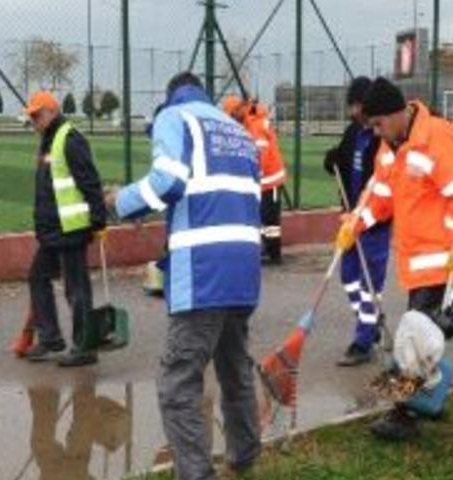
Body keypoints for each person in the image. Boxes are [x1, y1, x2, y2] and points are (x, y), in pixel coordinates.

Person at [108, 72, 262, 479]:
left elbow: (168, 181)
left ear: (171, 95)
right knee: (234, 370)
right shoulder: (237, 130)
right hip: (243, 269)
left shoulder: (175, 117)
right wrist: (150, 208)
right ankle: (242, 460)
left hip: (202, 271)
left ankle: (196, 474)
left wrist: (121, 202)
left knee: (177, 384)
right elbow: (212, 192)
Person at [336, 77, 453, 441]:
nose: (376, 132)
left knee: (412, 338)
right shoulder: (389, 146)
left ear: (397, 113)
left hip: (441, 264)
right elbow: (380, 194)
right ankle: (430, 399)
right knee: (425, 337)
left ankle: (403, 416)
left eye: (378, 124)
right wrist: (357, 222)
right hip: (414, 264)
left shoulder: (439, 138)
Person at [23, 90, 106, 367]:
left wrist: (98, 220)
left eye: (36, 115)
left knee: (76, 288)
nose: (33, 122)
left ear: (51, 112)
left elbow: (90, 181)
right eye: (31, 117)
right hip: (52, 230)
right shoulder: (48, 141)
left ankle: (84, 346)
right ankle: (51, 338)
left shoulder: (70, 139)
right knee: (37, 278)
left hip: (71, 229)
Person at [324, 76, 391, 366]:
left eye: (357, 105)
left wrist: (369, 214)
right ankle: (371, 320)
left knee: (369, 282)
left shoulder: (382, 137)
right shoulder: (354, 131)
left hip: (374, 221)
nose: (353, 111)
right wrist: (333, 160)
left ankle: (364, 341)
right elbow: (341, 157)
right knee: (348, 277)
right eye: (351, 105)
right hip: (351, 217)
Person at [223, 95, 287, 264]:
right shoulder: (250, 123)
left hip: (270, 180)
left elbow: (262, 156)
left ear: (237, 111)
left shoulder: (255, 126)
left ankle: (273, 253)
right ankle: (269, 250)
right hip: (264, 180)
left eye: (231, 114)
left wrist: (253, 176)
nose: (231, 119)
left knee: (270, 218)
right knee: (264, 217)